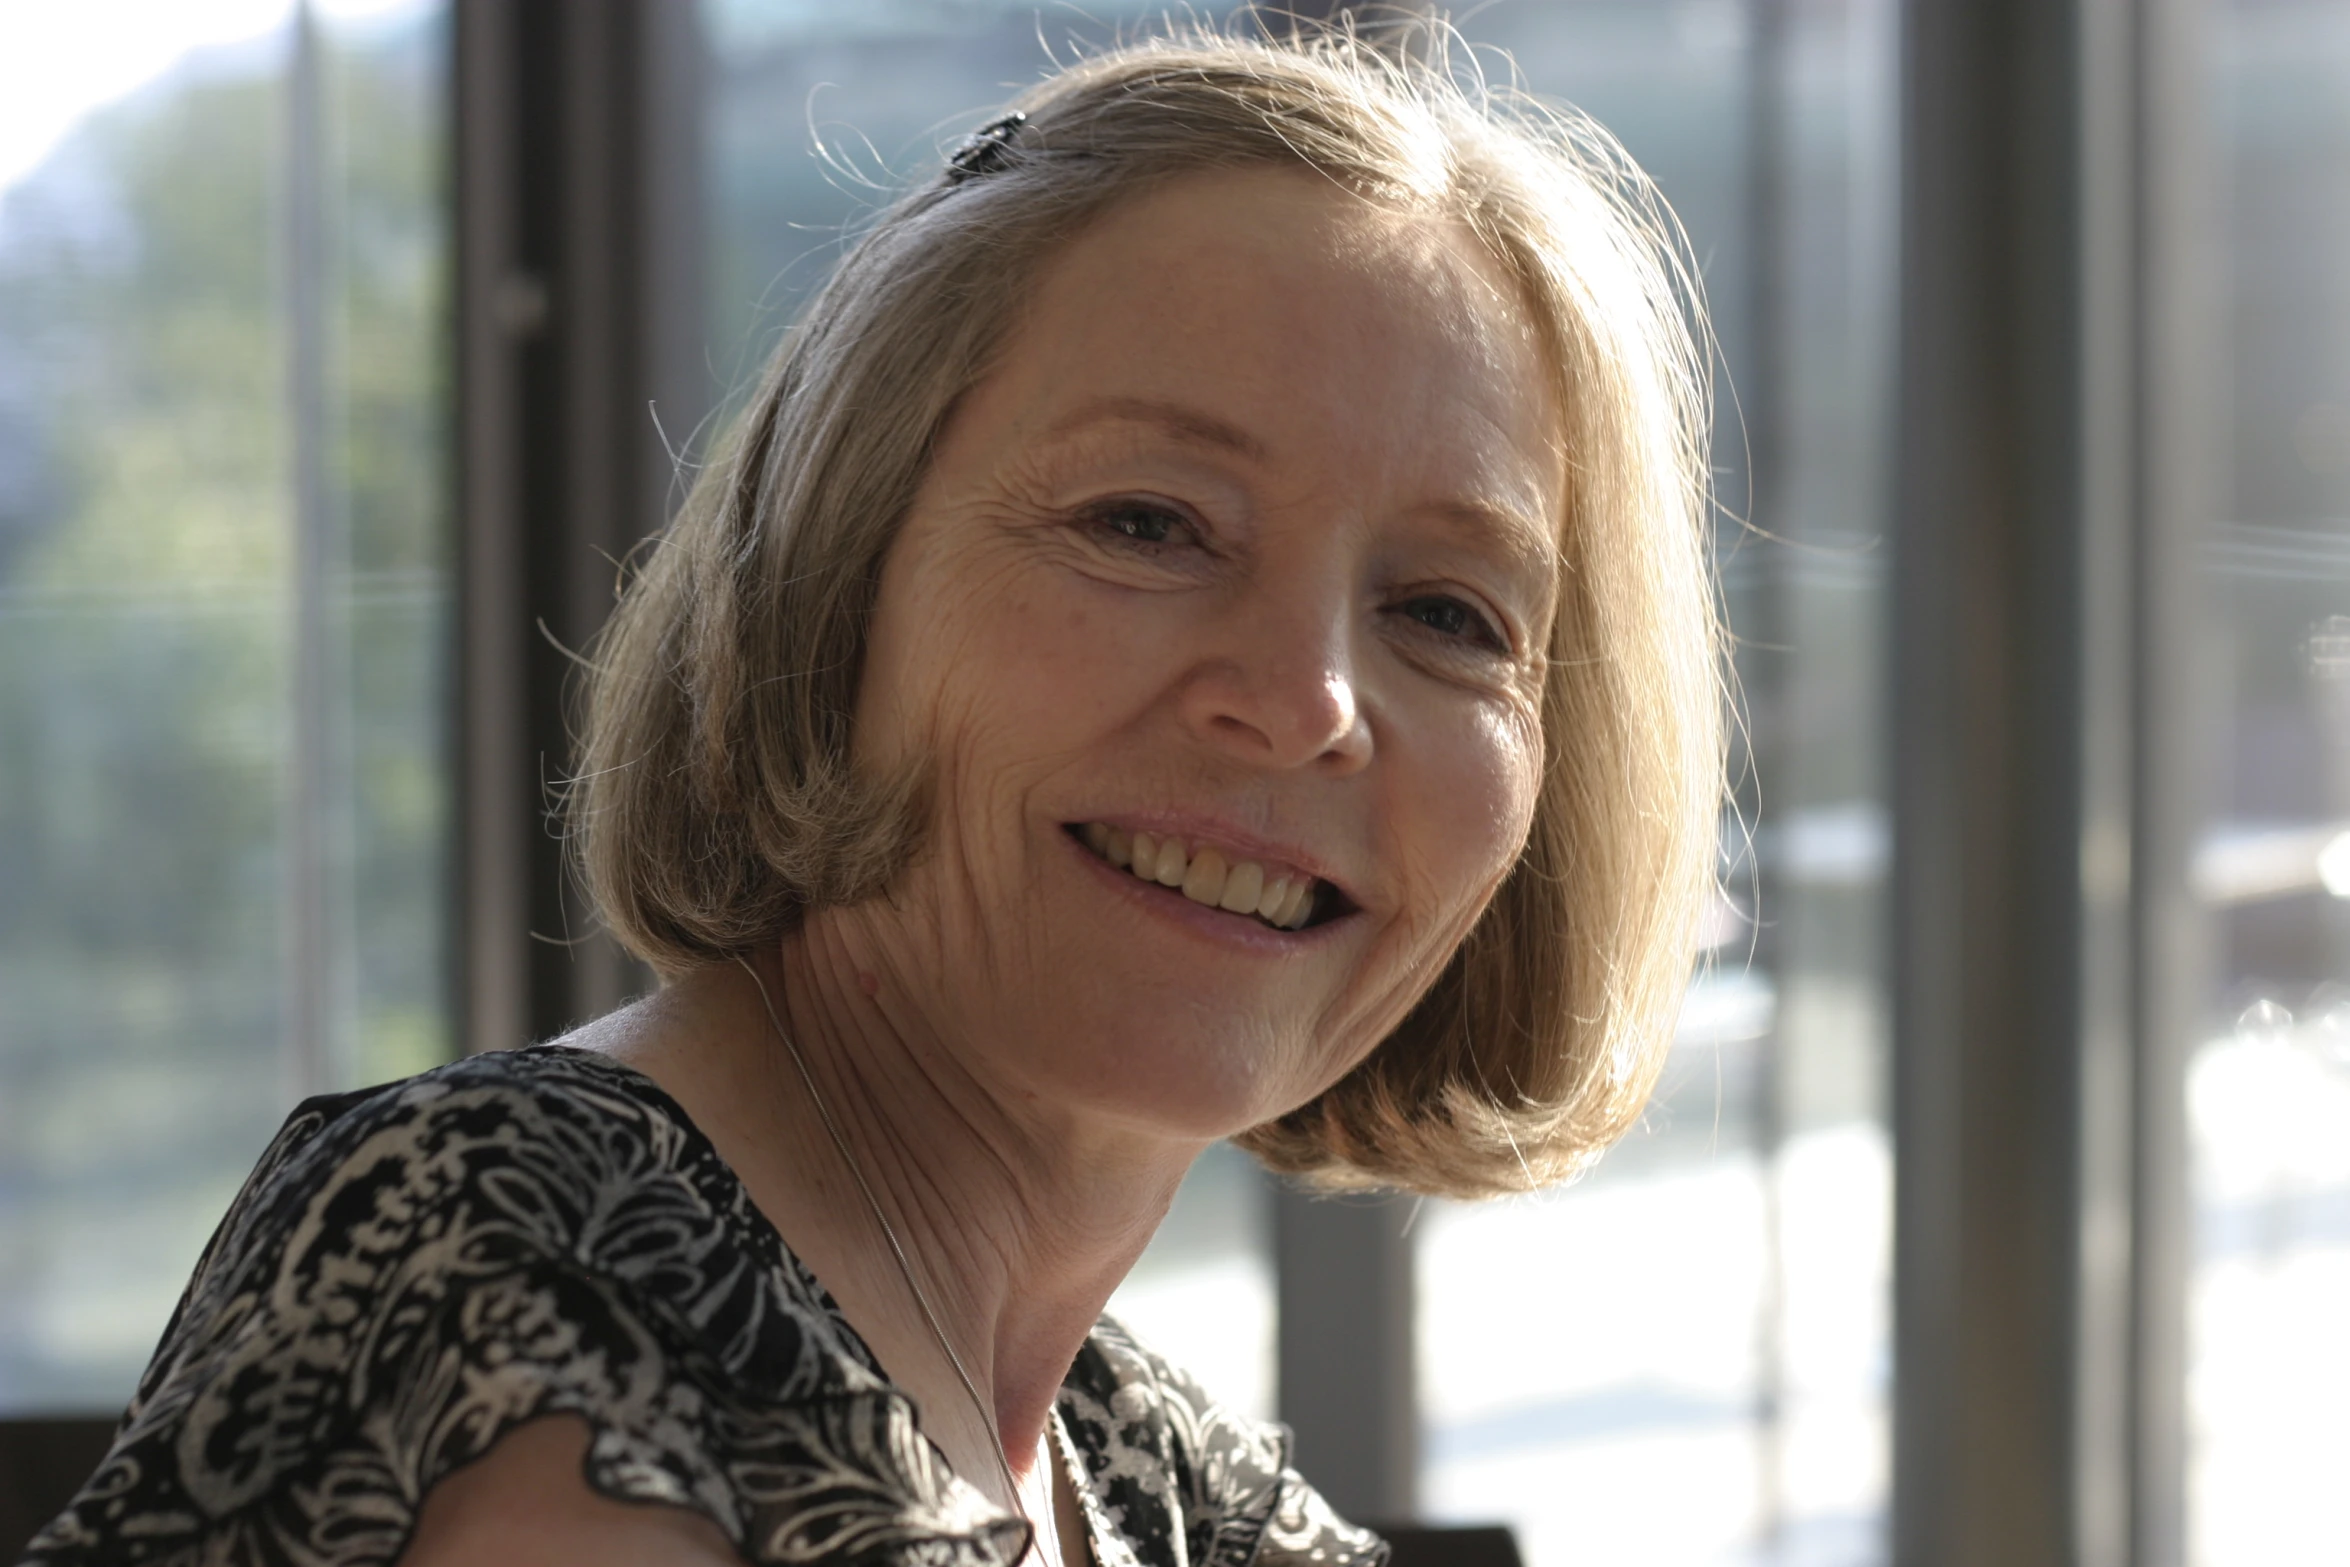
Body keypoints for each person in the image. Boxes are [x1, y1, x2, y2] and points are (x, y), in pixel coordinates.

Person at [22, 22, 1719, 1567]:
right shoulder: (531, 1276)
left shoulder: (1140, 1471)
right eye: (1147, 522)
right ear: (840, 575)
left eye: (1444, 613)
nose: (1303, 705)